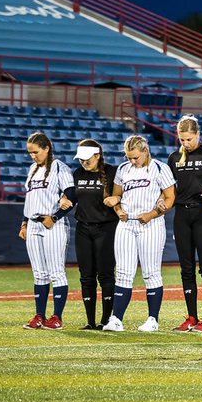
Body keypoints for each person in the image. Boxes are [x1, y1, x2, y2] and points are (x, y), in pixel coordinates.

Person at [105, 135, 176, 332]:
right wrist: (117, 209)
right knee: (123, 272)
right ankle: (116, 319)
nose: (132, 161)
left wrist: (153, 213)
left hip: (151, 224)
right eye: (129, 157)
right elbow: (117, 195)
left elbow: (170, 198)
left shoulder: (160, 168)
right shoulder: (122, 169)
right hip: (126, 224)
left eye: (135, 157)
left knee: (151, 272)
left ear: (145, 151)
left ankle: (152, 319)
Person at [167, 115, 202, 332]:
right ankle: (191, 316)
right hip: (181, 214)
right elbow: (169, 188)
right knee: (186, 268)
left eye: (189, 139)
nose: (185, 143)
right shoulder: (174, 158)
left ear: (197, 134)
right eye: (182, 140)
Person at [19, 131, 74, 329]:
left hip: (53, 224)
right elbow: (30, 199)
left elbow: (71, 196)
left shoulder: (60, 168)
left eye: (36, 152)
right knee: (39, 273)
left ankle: (56, 316)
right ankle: (39, 316)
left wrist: (56, 217)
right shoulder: (33, 169)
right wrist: (24, 223)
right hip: (34, 223)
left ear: (46, 148)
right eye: (30, 153)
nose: (33, 156)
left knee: (56, 272)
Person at [64, 140, 117, 330]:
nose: (84, 163)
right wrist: (64, 199)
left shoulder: (112, 172)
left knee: (105, 275)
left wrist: (117, 198)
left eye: (87, 159)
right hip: (83, 229)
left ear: (97, 156)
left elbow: (122, 194)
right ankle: (90, 321)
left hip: (106, 228)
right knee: (86, 276)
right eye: (81, 159)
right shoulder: (77, 174)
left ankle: (105, 320)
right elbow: (71, 197)